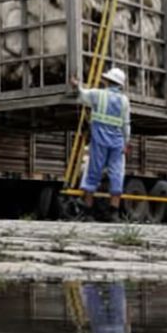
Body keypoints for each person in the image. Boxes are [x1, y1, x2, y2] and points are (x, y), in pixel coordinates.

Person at [71, 66, 131, 219]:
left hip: (100, 140)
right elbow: (126, 124)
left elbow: (82, 94)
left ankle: (88, 209)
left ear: (108, 81)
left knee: (93, 171)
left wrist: (76, 84)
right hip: (117, 142)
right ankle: (114, 211)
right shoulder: (124, 101)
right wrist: (126, 143)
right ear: (120, 85)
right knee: (116, 173)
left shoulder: (98, 95)